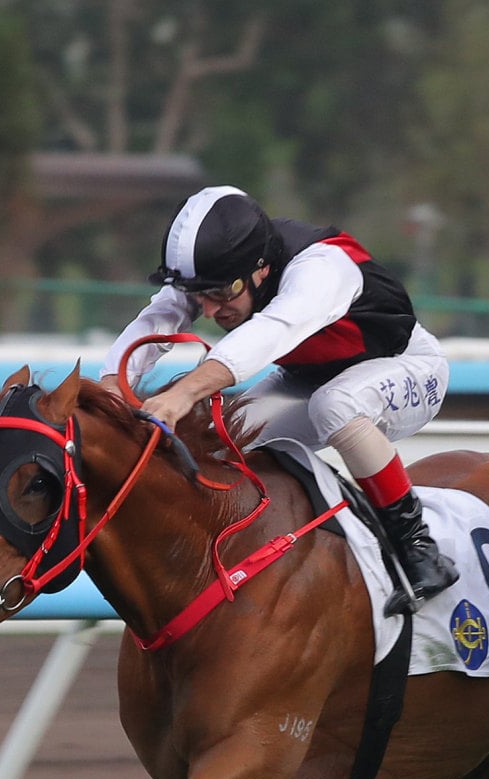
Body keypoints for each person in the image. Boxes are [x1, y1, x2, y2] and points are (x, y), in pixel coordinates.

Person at [103, 185, 457, 616]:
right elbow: (156, 319)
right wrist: (109, 389)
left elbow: (268, 333)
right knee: (221, 439)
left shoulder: (322, 267)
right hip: (309, 377)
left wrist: (183, 393)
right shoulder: (225, 271)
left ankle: (418, 548)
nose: (210, 311)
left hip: (407, 365)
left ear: (261, 270)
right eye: (200, 296)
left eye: (221, 294)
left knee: (335, 406)